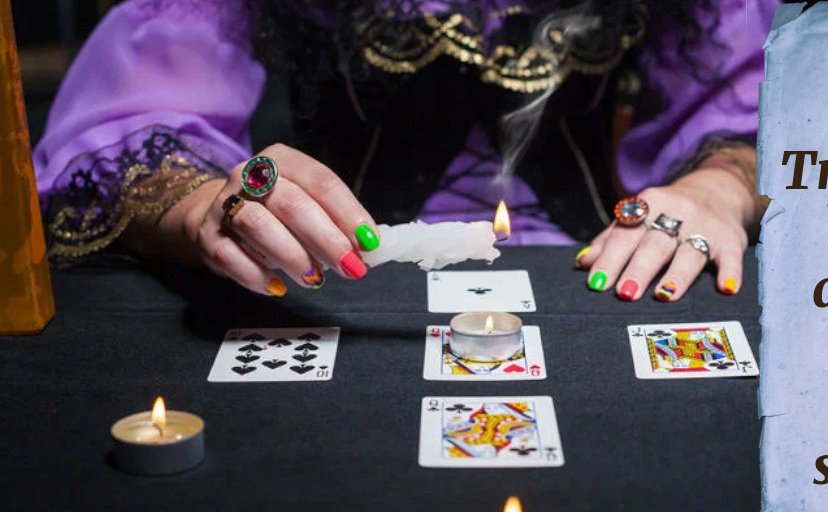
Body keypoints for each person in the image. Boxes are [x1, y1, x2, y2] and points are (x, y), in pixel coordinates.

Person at [34, 0, 775, 301]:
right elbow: (137, 117)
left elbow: (752, 102)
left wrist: (720, 184)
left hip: (592, 280)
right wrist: (205, 205)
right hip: (336, 288)